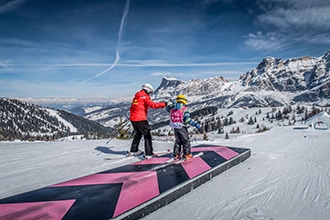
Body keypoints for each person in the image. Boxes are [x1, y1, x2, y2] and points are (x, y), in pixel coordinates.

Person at [128, 83, 167, 159]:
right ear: (148, 90)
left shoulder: (137, 96)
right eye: (150, 92)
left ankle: (134, 150)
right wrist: (164, 104)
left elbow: (133, 108)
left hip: (133, 119)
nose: (150, 94)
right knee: (147, 136)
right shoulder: (145, 97)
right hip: (141, 119)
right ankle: (149, 153)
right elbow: (153, 105)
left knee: (138, 134)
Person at [166, 94, 201, 160]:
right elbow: (187, 120)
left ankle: (176, 154)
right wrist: (195, 124)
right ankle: (187, 154)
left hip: (175, 127)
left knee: (178, 141)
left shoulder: (172, 109)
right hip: (182, 127)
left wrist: (171, 104)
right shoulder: (184, 109)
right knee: (186, 141)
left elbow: (167, 108)